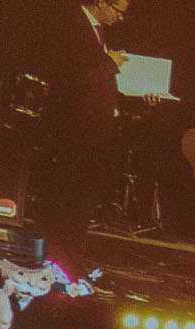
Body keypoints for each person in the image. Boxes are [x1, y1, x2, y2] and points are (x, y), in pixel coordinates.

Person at [28, 0, 130, 276]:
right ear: (101, 2)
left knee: (82, 205)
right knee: (66, 202)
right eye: (118, 11)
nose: (120, 18)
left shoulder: (98, 31)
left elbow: (96, 83)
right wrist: (109, 63)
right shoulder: (70, 25)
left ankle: (69, 264)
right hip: (74, 133)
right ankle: (55, 264)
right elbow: (71, 78)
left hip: (96, 132)